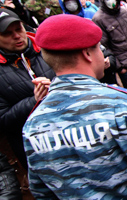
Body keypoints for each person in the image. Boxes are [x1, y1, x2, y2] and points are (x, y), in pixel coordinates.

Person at [22, 14, 127, 199]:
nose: (102, 54)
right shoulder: (126, 107)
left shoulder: (32, 126)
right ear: (87, 54)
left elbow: (42, 192)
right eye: (99, 48)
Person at [0, 8, 55, 171]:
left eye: (18, 29)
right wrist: (33, 101)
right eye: (7, 33)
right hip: (34, 150)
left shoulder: (47, 48)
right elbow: (3, 121)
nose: (17, 36)